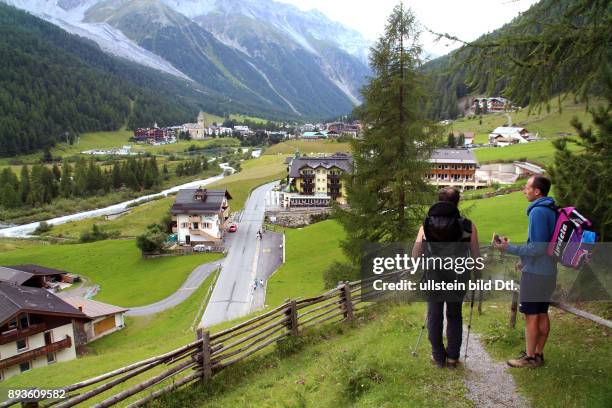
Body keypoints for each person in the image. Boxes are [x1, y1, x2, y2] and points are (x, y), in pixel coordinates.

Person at [412, 187, 480, 368]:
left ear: (439, 201)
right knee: (454, 315)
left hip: (433, 276)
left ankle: (438, 356)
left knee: (434, 314)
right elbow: (475, 256)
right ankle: (452, 357)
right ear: (458, 202)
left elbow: (415, 254)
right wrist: (476, 276)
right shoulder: (467, 225)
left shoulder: (426, 224)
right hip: (458, 277)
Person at [494, 175, 557, 368]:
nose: (524, 190)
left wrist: (508, 248)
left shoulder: (537, 211)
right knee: (542, 312)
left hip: (536, 273)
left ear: (537, 191)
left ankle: (530, 358)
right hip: (548, 272)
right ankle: (538, 355)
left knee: (531, 314)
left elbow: (537, 248)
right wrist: (524, 260)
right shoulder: (551, 209)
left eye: (527, 187)